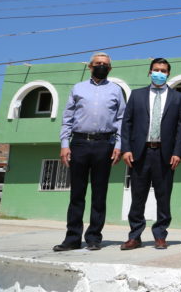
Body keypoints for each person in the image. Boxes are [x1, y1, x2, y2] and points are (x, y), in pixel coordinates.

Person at [53, 52, 125, 252]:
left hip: (105, 145)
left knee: (99, 194)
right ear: (90, 66)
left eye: (105, 64)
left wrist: (118, 145)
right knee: (77, 193)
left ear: (110, 68)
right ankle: (72, 238)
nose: (101, 66)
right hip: (79, 144)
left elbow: (121, 120)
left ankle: (94, 237)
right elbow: (67, 117)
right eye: (97, 63)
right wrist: (64, 144)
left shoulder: (116, 90)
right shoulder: (78, 88)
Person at [120, 58, 181, 250]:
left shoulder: (178, 98)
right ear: (150, 72)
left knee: (163, 197)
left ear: (168, 74)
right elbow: (127, 123)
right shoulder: (137, 95)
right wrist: (126, 149)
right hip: (140, 153)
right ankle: (135, 236)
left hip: (164, 155)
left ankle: (160, 235)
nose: (159, 73)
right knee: (137, 197)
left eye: (163, 70)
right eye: (156, 69)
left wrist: (177, 152)